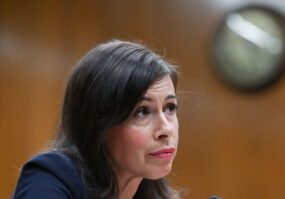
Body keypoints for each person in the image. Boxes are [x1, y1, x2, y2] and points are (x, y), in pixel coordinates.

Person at [12, 40, 182, 199]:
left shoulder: (151, 192)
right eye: (142, 111)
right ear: (99, 123)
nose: (166, 130)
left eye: (170, 108)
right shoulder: (50, 175)